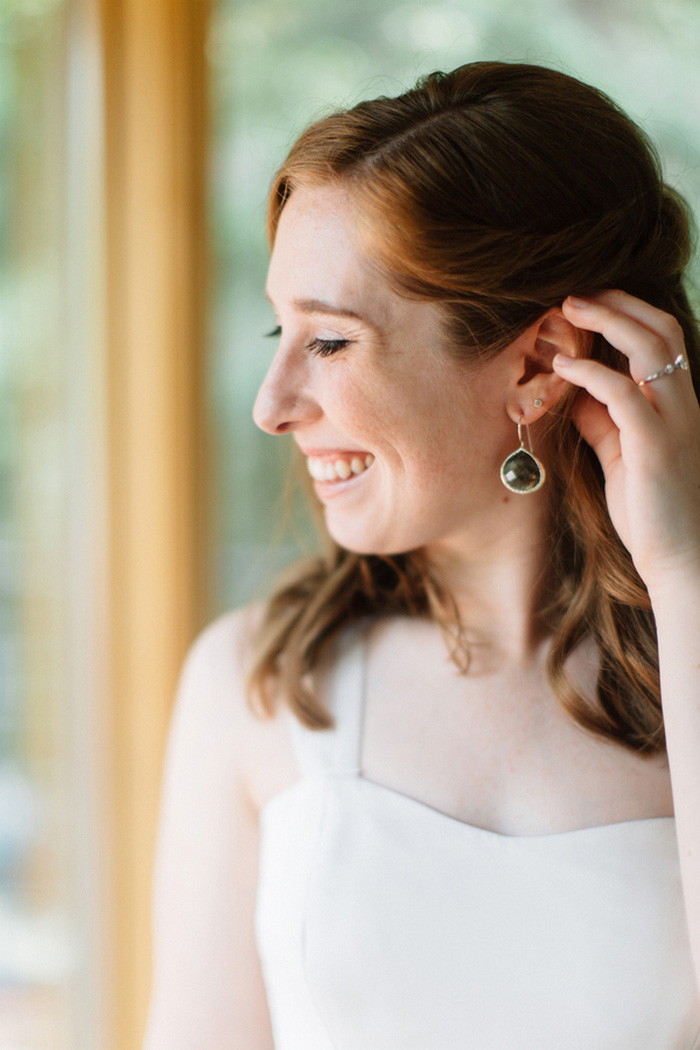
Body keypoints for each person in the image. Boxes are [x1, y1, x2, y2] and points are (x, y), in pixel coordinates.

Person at [142, 62, 700, 1049]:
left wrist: (685, 574)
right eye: (284, 329)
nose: (270, 406)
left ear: (533, 365)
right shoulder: (256, 680)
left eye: (329, 343)